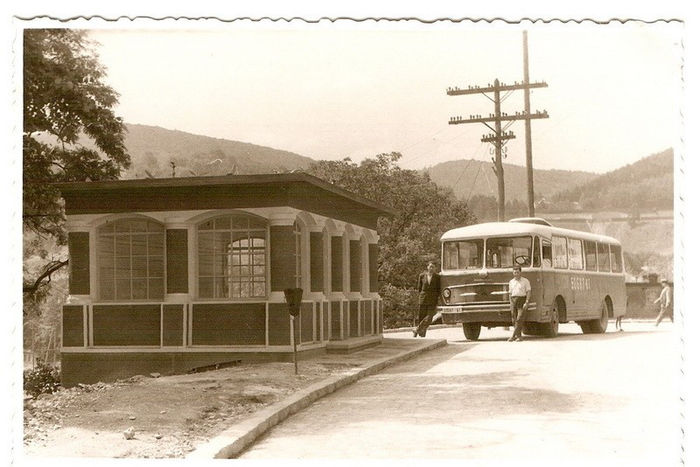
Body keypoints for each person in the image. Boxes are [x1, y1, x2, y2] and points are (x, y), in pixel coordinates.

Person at [413, 262, 441, 338]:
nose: (431, 268)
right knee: (421, 316)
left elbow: (439, 289)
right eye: (430, 267)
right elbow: (419, 288)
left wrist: (437, 298)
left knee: (429, 318)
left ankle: (417, 330)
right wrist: (421, 296)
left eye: (433, 267)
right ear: (427, 267)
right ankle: (422, 335)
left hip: (432, 300)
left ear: (435, 268)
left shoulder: (437, 277)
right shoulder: (422, 276)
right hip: (423, 299)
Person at [508, 265, 531, 342]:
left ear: (520, 272)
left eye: (517, 272)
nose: (516, 274)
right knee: (514, 319)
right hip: (513, 300)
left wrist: (527, 302)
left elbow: (528, 292)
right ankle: (519, 337)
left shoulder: (525, 281)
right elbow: (510, 293)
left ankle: (512, 336)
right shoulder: (511, 282)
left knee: (519, 318)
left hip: (522, 300)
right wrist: (510, 303)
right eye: (514, 272)